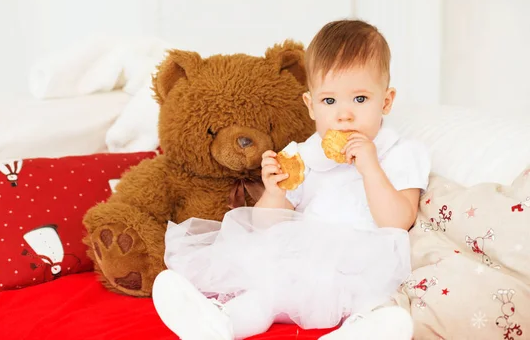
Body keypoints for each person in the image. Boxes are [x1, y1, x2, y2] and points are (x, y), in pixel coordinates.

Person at [152, 19, 431, 340]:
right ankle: (219, 324)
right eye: (329, 101)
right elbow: (267, 225)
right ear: (310, 106)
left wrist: (371, 168)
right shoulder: (303, 154)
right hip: (302, 258)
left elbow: (398, 221)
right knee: (265, 293)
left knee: (377, 305)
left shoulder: (400, 152)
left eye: (360, 99)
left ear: (386, 101)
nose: (344, 114)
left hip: (363, 264)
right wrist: (273, 192)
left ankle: (359, 332)